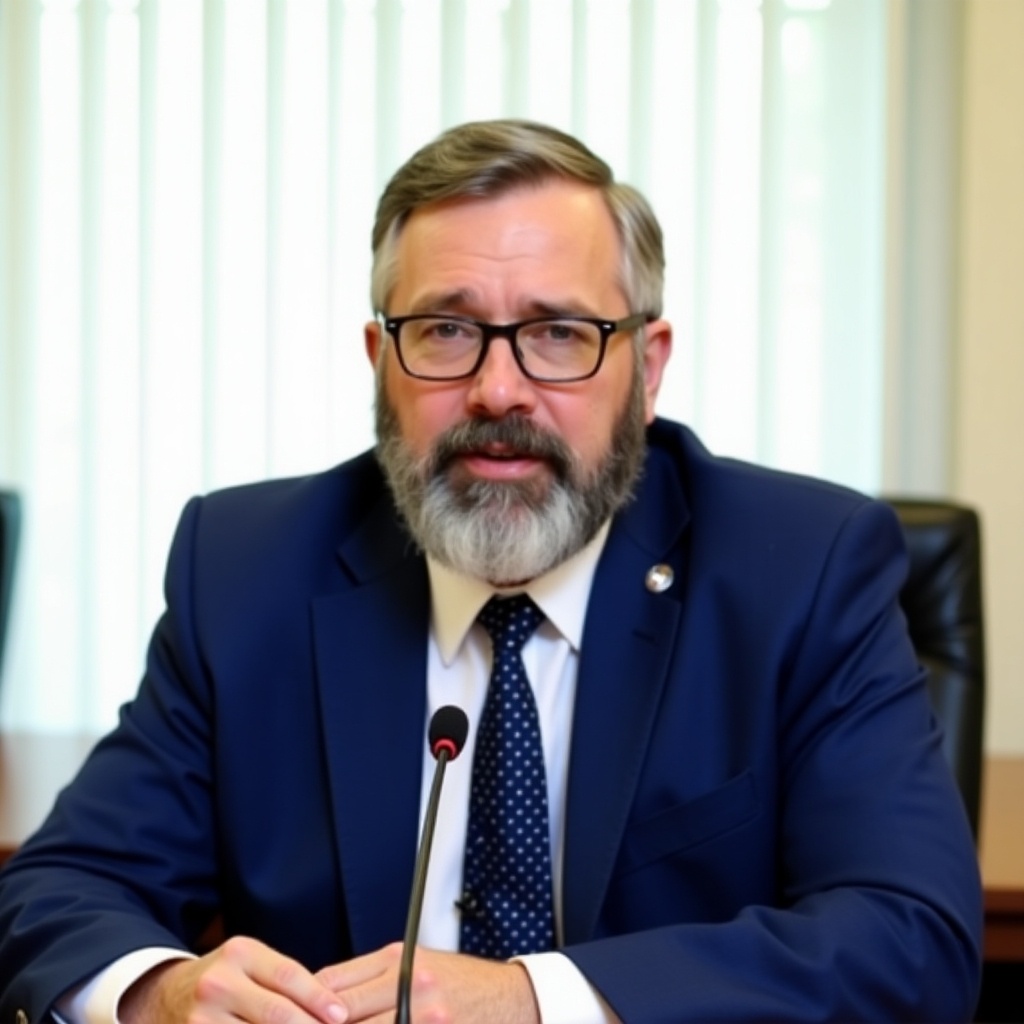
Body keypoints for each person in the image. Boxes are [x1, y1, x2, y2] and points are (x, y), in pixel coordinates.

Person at [0, 119, 982, 1024]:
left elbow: (910, 938)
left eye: (559, 331)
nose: (497, 388)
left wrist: (535, 998)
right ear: (379, 358)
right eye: (445, 330)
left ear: (647, 367)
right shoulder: (248, 568)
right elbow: (60, 890)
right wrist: (160, 991)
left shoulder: (798, 568)